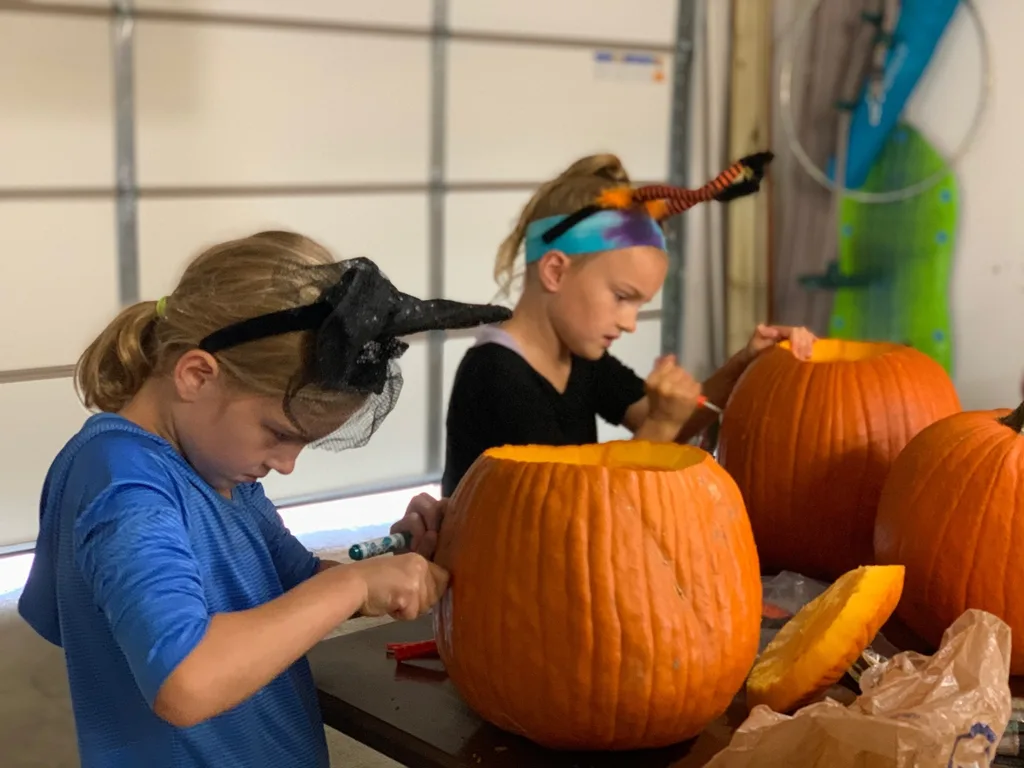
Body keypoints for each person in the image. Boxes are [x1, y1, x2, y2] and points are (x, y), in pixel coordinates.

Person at [17, 230, 510, 768]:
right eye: (278, 433)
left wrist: (395, 559)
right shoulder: (124, 486)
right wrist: (350, 586)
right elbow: (187, 680)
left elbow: (292, 589)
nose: (287, 463)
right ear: (196, 375)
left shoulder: (224, 475)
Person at [442, 153, 816, 496]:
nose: (630, 324)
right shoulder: (495, 373)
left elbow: (662, 423)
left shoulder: (580, 356)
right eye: (623, 297)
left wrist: (743, 364)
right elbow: (574, 510)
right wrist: (663, 423)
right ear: (555, 271)